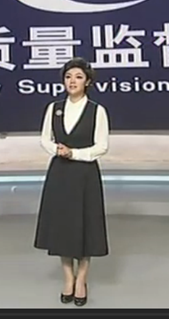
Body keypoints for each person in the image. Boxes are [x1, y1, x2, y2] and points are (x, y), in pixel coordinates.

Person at [34, 57, 110, 307]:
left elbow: (102, 146)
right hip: (60, 173)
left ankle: (82, 281)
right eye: (68, 77)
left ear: (87, 81)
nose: (72, 81)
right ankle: (68, 278)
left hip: (85, 174)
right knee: (63, 227)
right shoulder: (54, 108)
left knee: (85, 227)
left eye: (78, 77)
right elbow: (44, 138)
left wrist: (74, 153)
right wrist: (57, 150)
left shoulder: (97, 111)